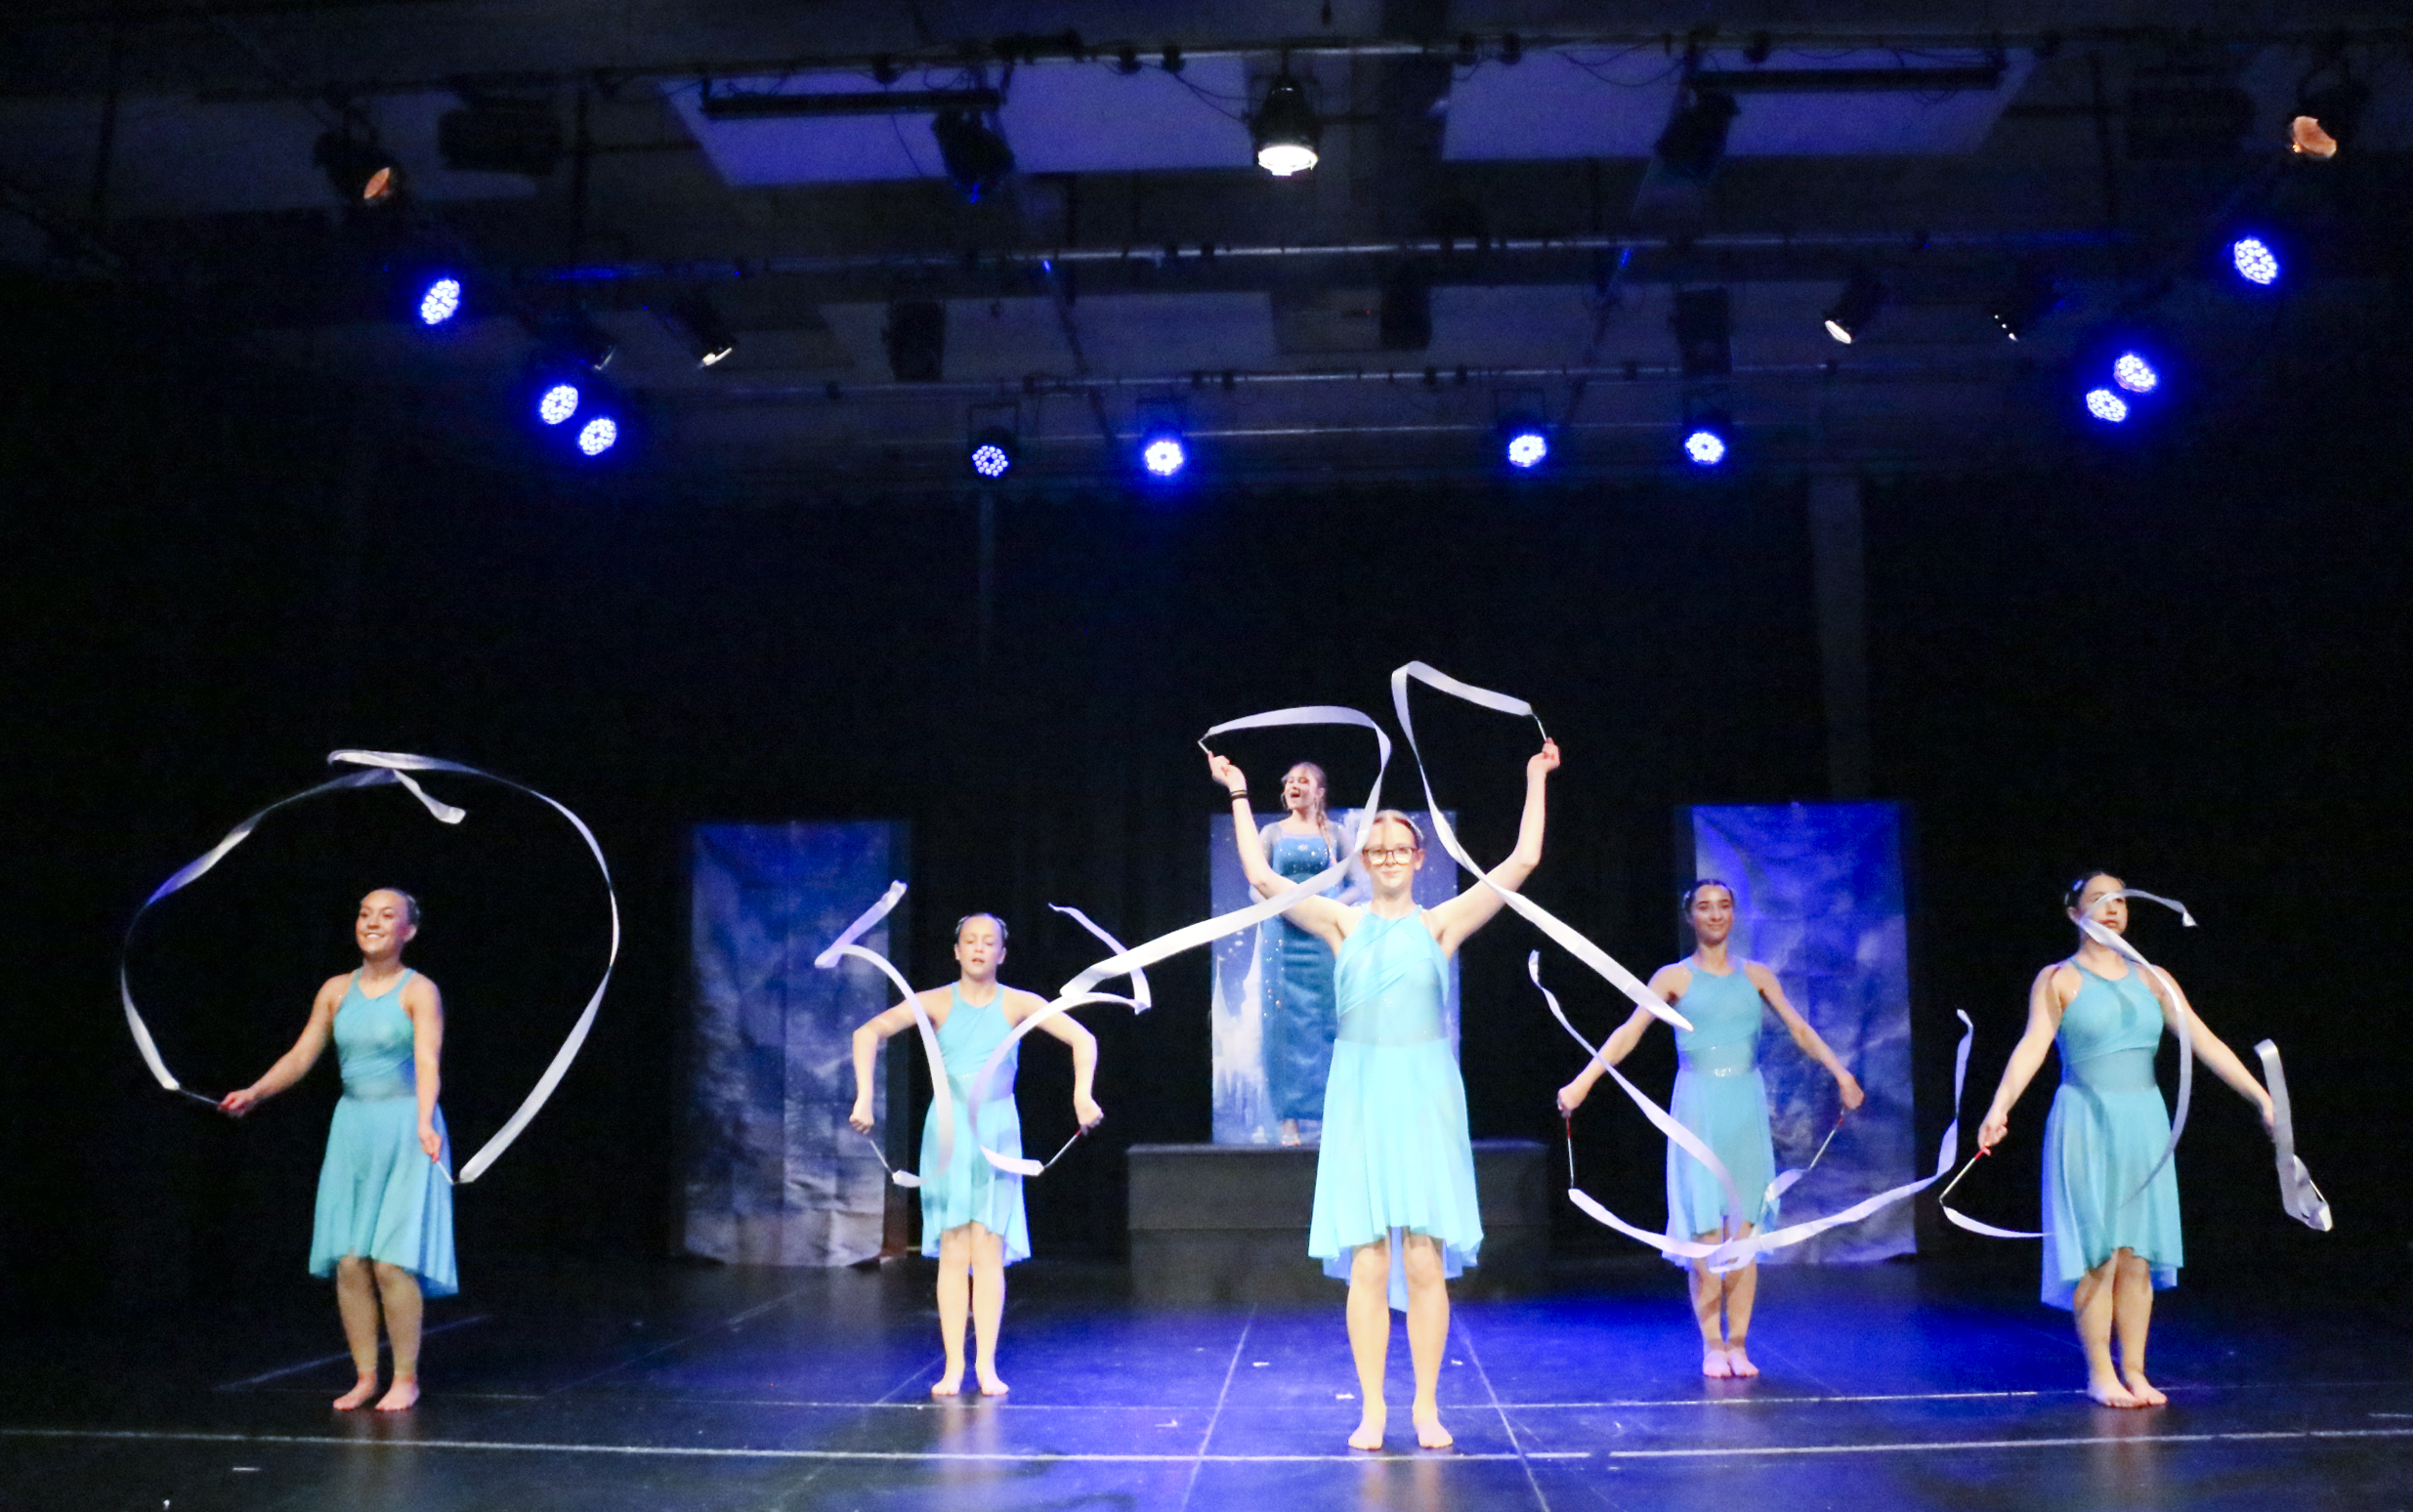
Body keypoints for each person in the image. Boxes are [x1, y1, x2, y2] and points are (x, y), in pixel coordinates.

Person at [1210, 736, 1559, 1451]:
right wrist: (1239, 792)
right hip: (1362, 1093)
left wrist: (1535, 775)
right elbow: (1260, 874)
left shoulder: (1442, 923)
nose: (1390, 857)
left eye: (1401, 848)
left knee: (1424, 1257)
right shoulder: (1343, 923)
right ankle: (1372, 1408)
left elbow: (1523, 861)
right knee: (1368, 1261)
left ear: (1419, 857)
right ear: (1364, 860)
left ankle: (1426, 1406)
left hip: (1423, 1093)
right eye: (1378, 849)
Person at [1976, 871, 2274, 1408]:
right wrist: (1999, 1108)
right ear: (2074, 913)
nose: (2112, 908)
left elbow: (2205, 1042)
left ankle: (2134, 1371)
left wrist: (2262, 1098)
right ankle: (2101, 1373)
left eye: (2119, 899)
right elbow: (2032, 1047)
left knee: (2138, 1255)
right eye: (2098, 900)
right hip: (2086, 1122)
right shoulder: (2058, 978)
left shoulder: (2154, 979)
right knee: (2100, 1253)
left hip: (2145, 1124)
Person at [1556, 879, 1865, 1380]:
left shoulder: (1757, 976)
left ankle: (1738, 1343)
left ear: (1733, 913)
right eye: (1705, 906)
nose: (1715, 914)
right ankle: (1712, 1345)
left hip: (1744, 1106)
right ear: (1691, 916)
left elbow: (1800, 1029)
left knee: (1743, 1236)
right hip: (1698, 1108)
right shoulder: (1673, 978)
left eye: (1723, 906)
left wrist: (1842, 1075)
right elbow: (1629, 1033)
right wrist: (1582, 1082)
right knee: (1705, 1232)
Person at [849, 913, 1103, 1398]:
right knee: (953, 1252)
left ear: (1002, 954)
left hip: (997, 1131)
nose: (979, 948)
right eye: (970, 941)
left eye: (989, 942)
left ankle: (986, 1366)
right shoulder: (935, 1002)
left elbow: (1082, 1039)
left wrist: (1082, 1096)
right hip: (948, 1133)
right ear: (957, 951)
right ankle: (952, 1367)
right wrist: (864, 1098)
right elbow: (868, 1033)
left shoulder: (1019, 1003)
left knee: (987, 1252)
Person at [220, 888, 454, 1411]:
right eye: (365, 914)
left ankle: (406, 1378)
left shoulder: (420, 991)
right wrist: (256, 1092)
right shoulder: (335, 990)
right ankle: (366, 1377)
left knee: (391, 1263)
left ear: (408, 931)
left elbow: (427, 1060)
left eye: (387, 916)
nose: (372, 923)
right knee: (350, 1262)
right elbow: (302, 1054)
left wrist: (424, 1120)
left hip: (406, 1127)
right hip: (353, 1129)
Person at [1251, 762, 1347, 1147]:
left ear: (1319, 791)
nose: (1294, 785)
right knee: (1282, 1025)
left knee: (1327, 1021)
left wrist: (1328, 909)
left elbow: (1357, 885)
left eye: (1303, 780)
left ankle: (1331, 1112)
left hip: (1323, 937)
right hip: (1281, 937)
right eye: (1289, 780)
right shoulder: (1271, 833)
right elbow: (1256, 884)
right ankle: (1287, 1120)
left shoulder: (1336, 833)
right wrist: (1283, 907)